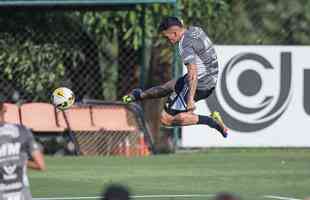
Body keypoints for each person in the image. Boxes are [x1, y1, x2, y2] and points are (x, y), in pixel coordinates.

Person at [122, 16, 228, 138]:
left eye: (167, 37)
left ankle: (211, 121)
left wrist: (190, 100)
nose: (168, 40)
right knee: (170, 86)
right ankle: (139, 95)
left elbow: (193, 73)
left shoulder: (184, 44)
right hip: (210, 79)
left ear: (175, 32)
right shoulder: (195, 30)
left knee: (166, 119)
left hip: (200, 83)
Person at [0, 101, 46, 200]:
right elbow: (41, 165)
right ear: (5, 109)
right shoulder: (22, 130)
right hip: (22, 195)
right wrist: (17, 159)